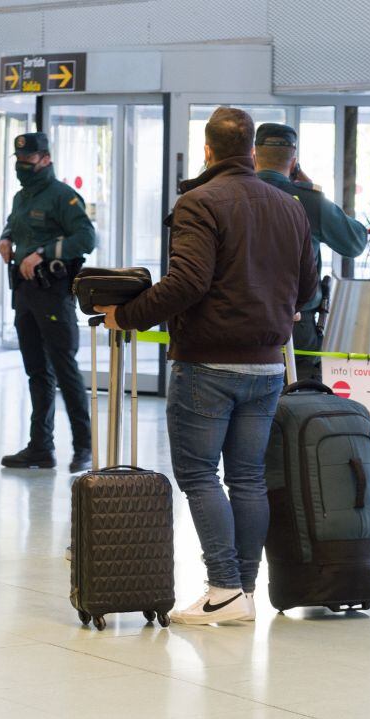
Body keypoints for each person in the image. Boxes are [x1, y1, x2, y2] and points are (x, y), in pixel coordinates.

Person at [95, 107, 317, 625]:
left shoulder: (199, 202)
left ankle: (223, 587)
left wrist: (126, 315)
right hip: (268, 365)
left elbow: (188, 282)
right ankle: (243, 591)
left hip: (208, 365)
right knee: (248, 478)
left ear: (208, 150)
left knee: (199, 474)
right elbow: (306, 288)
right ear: (252, 151)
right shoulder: (290, 207)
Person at [0, 132, 96, 473]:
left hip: (53, 294)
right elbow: (15, 224)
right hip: (25, 294)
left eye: (29, 160)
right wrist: (6, 238)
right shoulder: (21, 197)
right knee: (37, 373)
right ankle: (40, 447)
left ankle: (84, 447)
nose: (22, 165)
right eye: (19, 160)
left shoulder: (63, 197)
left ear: (46, 159)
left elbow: (86, 238)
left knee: (65, 371)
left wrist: (43, 253)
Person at [254, 123, 367, 381]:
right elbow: (355, 242)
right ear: (294, 162)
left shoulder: (232, 195)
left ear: (253, 156)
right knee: (300, 399)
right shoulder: (310, 201)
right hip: (297, 325)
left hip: (241, 320)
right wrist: (317, 196)